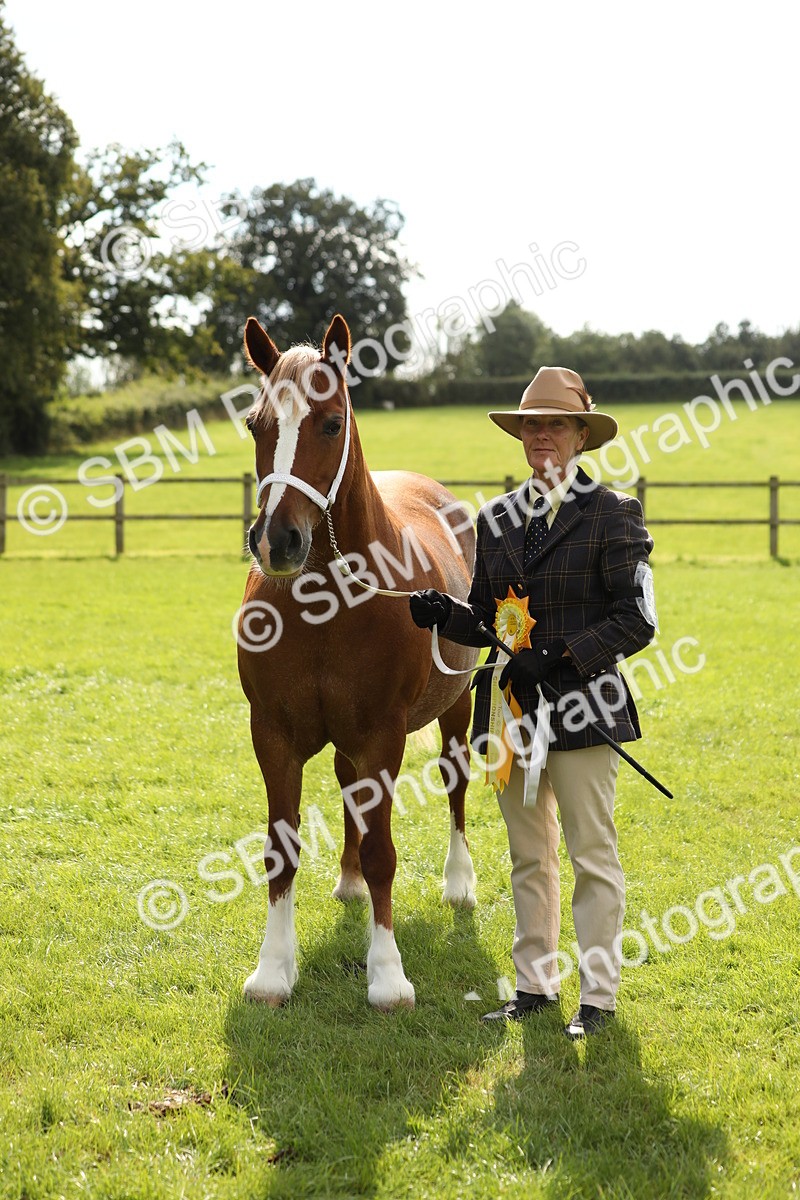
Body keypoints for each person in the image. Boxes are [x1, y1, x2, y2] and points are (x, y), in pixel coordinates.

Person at [410, 367, 657, 1038]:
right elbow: (485, 618)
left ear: (581, 435)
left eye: (555, 424)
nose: (541, 435)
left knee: (591, 855)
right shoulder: (496, 520)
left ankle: (598, 999)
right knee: (528, 856)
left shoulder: (613, 513)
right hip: (511, 713)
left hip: (583, 710)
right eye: (531, 425)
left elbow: (637, 619)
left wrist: (561, 655)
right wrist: (443, 614)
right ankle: (534, 987)